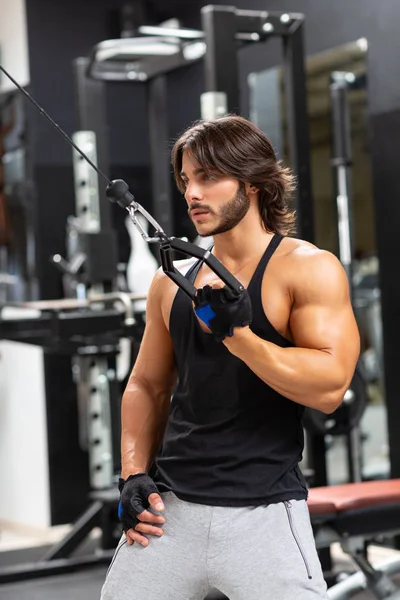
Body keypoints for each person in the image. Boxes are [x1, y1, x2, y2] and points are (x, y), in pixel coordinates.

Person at [101, 115, 360, 600]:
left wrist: (235, 334)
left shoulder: (308, 269)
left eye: (208, 177)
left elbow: (329, 388)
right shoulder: (170, 280)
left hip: (264, 515)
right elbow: (147, 385)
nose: (192, 193)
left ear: (255, 183)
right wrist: (132, 471)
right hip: (169, 511)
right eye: (186, 179)